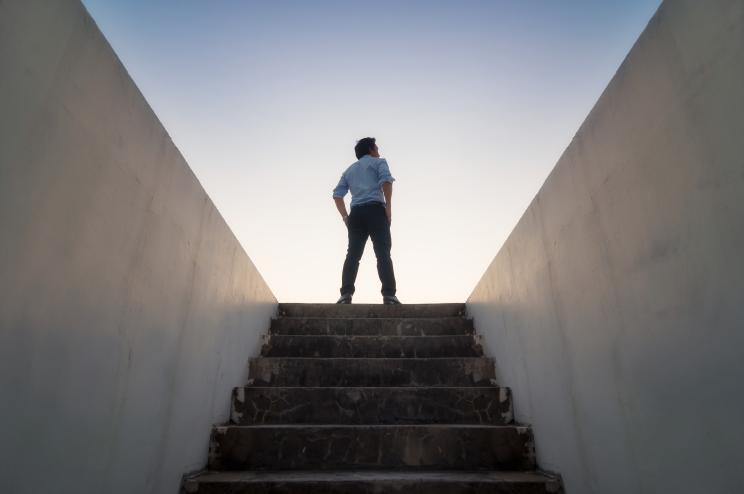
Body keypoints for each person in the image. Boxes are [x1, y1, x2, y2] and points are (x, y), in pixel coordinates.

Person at [332, 137, 400, 304]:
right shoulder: (379, 162)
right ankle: (389, 295)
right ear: (371, 149)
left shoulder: (349, 171)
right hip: (376, 211)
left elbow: (337, 195)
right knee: (383, 253)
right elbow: (386, 181)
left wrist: (345, 217)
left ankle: (346, 294)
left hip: (356, 214)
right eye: (376, 147)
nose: (379, 151)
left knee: (353, 255)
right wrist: (388, 208)